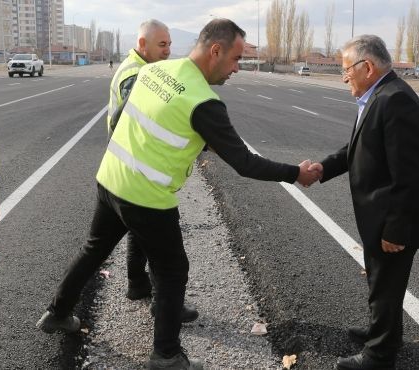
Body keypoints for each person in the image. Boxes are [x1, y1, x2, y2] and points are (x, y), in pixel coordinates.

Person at [36, 19, 320, 369]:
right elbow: (245, 163)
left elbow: (131, 117)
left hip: (111, 178)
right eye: (235, 59)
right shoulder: (204, 102)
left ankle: (58, 312)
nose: (236, 69)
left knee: (94, 250)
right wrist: (296, 173)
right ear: (215, 51)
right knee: (172, 270)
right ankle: (166, 355)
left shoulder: (156, 71)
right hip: (147, 197)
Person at [307, 35, 419, 370]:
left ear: (367, 67)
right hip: (380, 215)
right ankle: (384, 334)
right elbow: (359, 148)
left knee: (386, 285)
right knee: (382, 282)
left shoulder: (395, 100)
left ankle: (379, 357)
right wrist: (324, 167)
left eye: (345, 69)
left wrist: (396, 228)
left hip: (393, 219)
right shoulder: (380, 96)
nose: (343, 77)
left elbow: (410, 174)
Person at [105, 20, 199, 323]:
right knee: (166, 253)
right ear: (142, 44)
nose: (168, 51)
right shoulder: (136, 73)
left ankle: (136, 284)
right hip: (135, 166)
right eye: (162, 45)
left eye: (170, 45)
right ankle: (164, 310)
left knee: (126, 238)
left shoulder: (137, 67)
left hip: (125, 165)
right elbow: (130, 116)